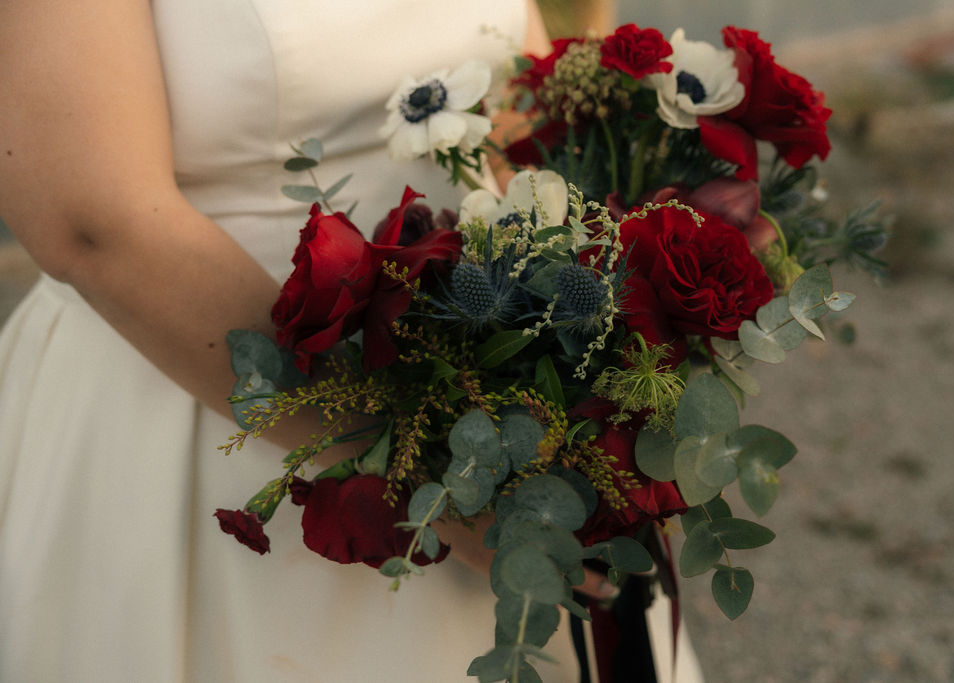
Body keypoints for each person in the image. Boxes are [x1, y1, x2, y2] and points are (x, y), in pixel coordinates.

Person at [0, 1, 703, 680]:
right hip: (208, 401)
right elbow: (90, 222)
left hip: (483, 371)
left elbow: (512, 90)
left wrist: (599, 348)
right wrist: (430, 472)